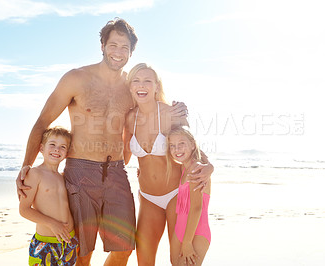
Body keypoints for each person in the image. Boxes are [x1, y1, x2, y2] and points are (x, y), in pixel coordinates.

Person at [16, 18, 186, 266]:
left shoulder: (130, 85)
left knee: (124, 248)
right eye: (113, 45)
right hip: (80, 173)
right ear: (102, 45)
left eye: (124, 47)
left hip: (116, 173)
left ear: (131, 52)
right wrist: (26, 168)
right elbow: (42, 123)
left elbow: (149, 111)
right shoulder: (76, 79)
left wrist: (176, 110)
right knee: (82, 253)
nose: (118, 52)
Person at [123, 63, 213, 265]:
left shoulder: (171, 113)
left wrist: (210, 166)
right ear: (130, 87)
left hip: (175, 195)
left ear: (156, 86)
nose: (142, 85)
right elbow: (124, 156)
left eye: (147, 81)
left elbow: (191, 147)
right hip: (148, 198)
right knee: (144, 261)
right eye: (136, 80)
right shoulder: (130, 119)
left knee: (179, 260)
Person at [19, 126, 78, 266]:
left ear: (67, 153)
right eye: (52, 144)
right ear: (41, 148)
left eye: (62, 147)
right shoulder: (34, 174)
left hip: (68, 242)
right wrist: (53, 224)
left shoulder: (63, 177)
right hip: (45, 244)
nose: (57, 149)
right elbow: (24, 209)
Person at [167, 127, 211, 266]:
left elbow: (197, 208)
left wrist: (187, 242)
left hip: (196, 231)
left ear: (192, 144)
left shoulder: (196, 169)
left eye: (181, 144)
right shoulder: (184, 167)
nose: (177, 149)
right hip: (180, 228)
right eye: (172, 146)